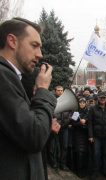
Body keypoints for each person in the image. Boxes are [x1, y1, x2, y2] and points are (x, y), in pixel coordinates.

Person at [0, 18, 57, 180]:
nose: (40, 54)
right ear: (12, 41)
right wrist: (42, 91)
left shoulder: (10, 77)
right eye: (34, 45)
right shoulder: (3, 76)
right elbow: (33, 137)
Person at [88, 91, 106, 180]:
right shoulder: (93, 108)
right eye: (101, 97)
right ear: (98, 98)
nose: (103, 99)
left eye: (104, 97)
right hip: (96, 136)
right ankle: (95, 172)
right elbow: (90, 123)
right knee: (96, 155)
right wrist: (91, 135)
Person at [49, 86, 71, 171]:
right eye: (58, 90)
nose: (60, 92)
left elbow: (70, 112)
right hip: (55, 127)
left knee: (64, 146)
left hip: (64, 127)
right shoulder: (51, 100)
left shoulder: (66, 101)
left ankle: (62, 163)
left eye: (61, 91)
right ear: (55, 91)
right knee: (53, 146)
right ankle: (53, 162)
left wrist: (65, 122)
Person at [70, 97, 89, 178]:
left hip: (85, 135)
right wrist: (80, 124)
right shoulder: (76, 112)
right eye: (80, 103)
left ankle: (84, 169)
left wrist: (85, 123)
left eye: (83, 103)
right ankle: (78, 170)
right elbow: (73, 123)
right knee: (79, 153)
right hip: (77, 135)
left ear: (85, 103)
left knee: (84, 153)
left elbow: (90, 122)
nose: (81, 104)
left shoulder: (88, 112)